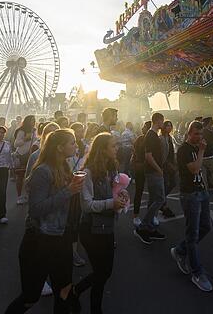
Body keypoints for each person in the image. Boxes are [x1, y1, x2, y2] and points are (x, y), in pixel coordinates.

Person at [4, 129, 84, 314]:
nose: (75, 145)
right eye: (72, 142)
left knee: (64, 291)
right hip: (39, 240)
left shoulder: (65, 167)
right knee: (30, 297)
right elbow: (36, 209)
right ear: (59, 147)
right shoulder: (42, 171)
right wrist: (68, 191)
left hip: (61, 238)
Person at [72, 132, 127, 313]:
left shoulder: (112, 170)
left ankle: (78, 293)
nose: (117, 149)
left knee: (104, 272)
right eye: (113, 146)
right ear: (102, 149)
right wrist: (112, 203)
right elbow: (86, 205)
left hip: (107, 227)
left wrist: (122, 197)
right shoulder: (88, 172)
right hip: (91, 229)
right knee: (101, 272)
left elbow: (113, 194)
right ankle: (90, 304)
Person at [170, 120, 213, 292]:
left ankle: (180, 250)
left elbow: (200, 169)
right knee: (193, 234)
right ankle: (197, 273)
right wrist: (202, 150)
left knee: (206, 227)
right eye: (196, 134)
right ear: (189, 133)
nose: (199, 137)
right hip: (190, 194)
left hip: (201, 191)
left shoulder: (196, 148)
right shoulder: (184, 150)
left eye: (201, 134)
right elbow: (195, 169)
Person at [134, 113, 167, 243]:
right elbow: (148, 156)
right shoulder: (151, 135)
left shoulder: (152, 135)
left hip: (153, 171)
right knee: (160, 199)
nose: (163, 124)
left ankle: (150, 228)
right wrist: (159, 169)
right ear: (157, 121)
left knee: (153, 199)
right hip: (153, 172)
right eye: (162, 121)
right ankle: (143, 226)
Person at [13, 115, 37, 205]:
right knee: (20, 176)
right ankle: (19, 196)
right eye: (31, 120)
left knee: (30, 177)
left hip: (32, 155)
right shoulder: (21, 131)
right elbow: (16, 144)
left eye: (34, 120)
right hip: (22, 155)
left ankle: (27, 195)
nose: (33, 122)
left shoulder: (35, 131)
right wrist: (25, 139)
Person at [131, 121, 150, 227]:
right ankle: (135, 215)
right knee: (139, 191)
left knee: (153, 193)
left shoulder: (153, 139)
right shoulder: (140, 139)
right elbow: (134, 151)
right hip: (140, 168)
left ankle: (152, 215)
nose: (142, 128)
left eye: (144, 126)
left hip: (149, 168)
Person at [160, 120, 178, 218]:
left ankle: (161, 199)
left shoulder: (170, 138)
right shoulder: (161, 138)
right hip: (165, 165)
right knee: (166, 184)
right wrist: (167, 163)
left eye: (170, 125)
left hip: (171, 163)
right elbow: (162, 154)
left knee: (173, 183)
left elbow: (172, 151)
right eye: (167, 126)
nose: (169, 127)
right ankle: (163, 204)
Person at [201, 117, 213, 191]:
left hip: (202, 155)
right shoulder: (210, 132)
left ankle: (206, 187)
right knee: (212, 172)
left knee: (204, 173)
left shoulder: (201, 132)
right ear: (209, 122)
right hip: (210, 154)